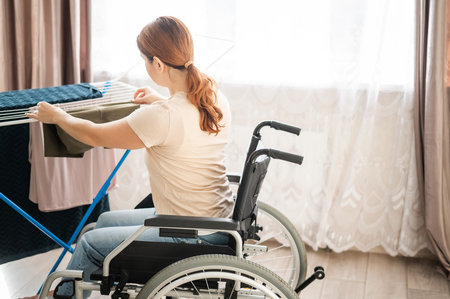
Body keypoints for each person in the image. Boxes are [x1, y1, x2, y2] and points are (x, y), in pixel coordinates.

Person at [23, 16, 234, 298]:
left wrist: (58, 116)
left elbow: (96, 135)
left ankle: (57, 297)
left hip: (187, 233)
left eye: (145, 61)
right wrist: (158, 99)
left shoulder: (164, 117)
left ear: (158, 63)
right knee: (104, 223)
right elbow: (183, 121)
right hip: (213, 220)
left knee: (89, 244)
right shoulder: (212, 96)